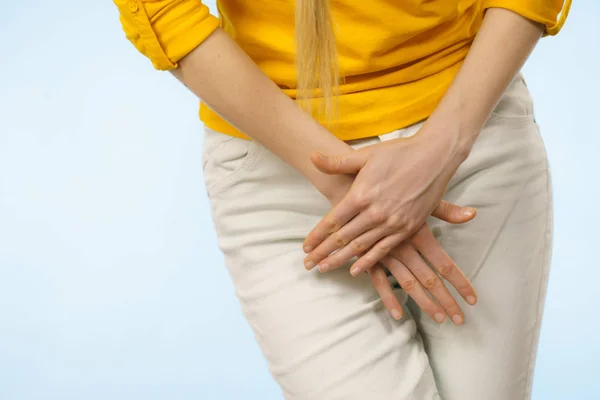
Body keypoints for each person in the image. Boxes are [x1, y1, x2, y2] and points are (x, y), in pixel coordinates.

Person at [113, 0, 570, 398]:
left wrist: (443, 148)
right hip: (280, 174)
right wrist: (357, 191)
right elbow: (160, 6)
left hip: (470, 132)